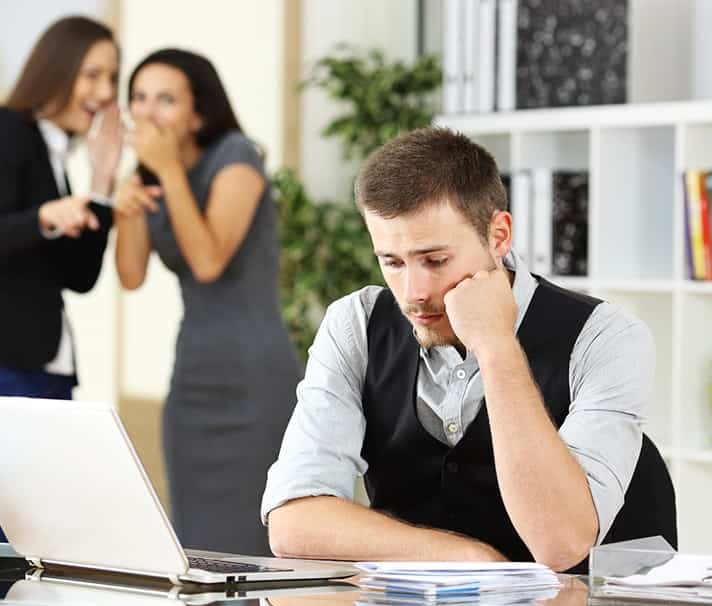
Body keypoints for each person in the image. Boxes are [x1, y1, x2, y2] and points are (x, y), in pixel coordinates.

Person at [261, 127, 659, 573]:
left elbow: (561, 544)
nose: (412, 293)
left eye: (435, 261)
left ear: (499, 235)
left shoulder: (607, 337)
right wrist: (464, 555)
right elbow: (293, 523)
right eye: (391, 262)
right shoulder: (355, 324)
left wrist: (496, 346)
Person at [0, 16, 122, 543]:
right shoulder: (4, 130)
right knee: (19, 532)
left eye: (111, 77)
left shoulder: (55, 152)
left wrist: (102, 182)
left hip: (47, 370)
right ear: (56, 70)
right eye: (92, 75)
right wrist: (49, 214)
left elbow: (79, 276)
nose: (105, 93)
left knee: (29, 534)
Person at [115, 49, 301, 556]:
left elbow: (208, 261)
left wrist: (169, 173)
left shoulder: (237, 157)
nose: (149, 112)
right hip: (194, 380)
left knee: (256, 547)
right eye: (140, 98)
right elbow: (130, 276)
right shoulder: (150, 175)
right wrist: (125, 205)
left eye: (166, 99)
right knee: (195, 546)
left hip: (254, 380)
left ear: (197, 113)